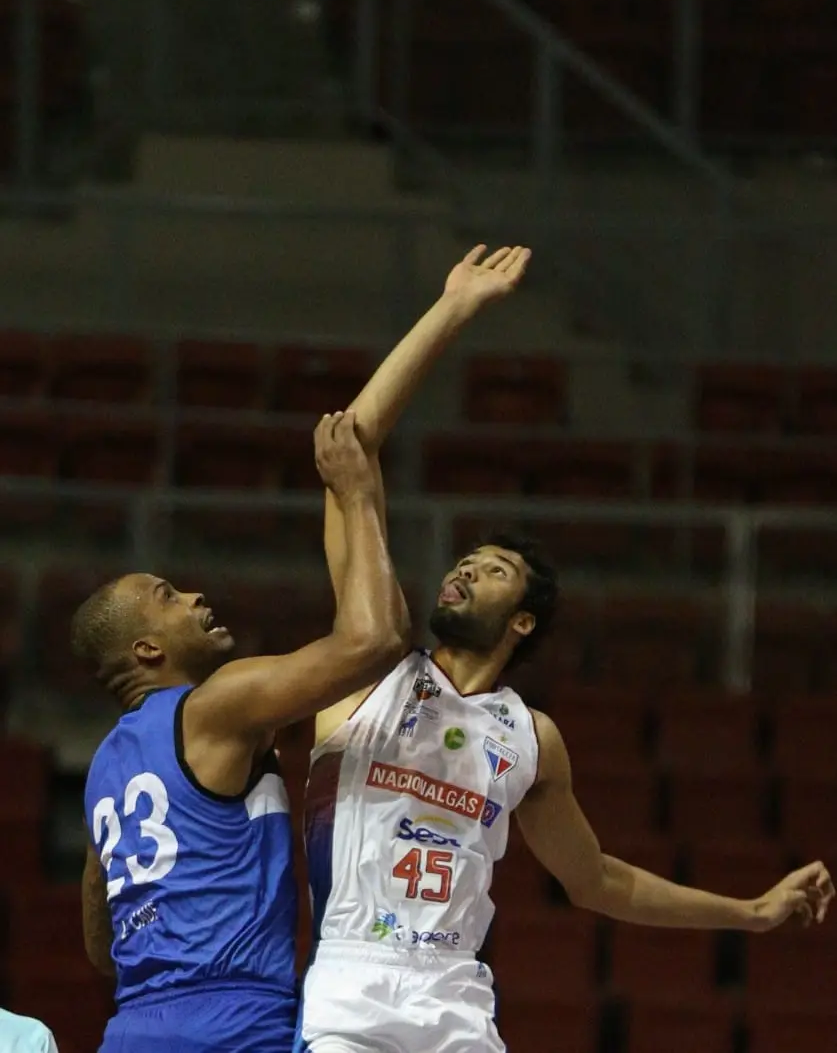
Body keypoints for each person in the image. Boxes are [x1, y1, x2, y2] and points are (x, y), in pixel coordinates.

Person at [294, 243, 835, 1053]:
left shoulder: (529, 738)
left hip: (456, 1006)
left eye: (493, 569)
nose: (464, 569)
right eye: (464, 560)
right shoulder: (367, 666)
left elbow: (598, 880)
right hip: (349, 994)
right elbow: (352, 445)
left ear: (523, 622)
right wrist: (454, 308)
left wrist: (750, 911)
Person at [73, 412, 410, 1053]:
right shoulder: (214, 706)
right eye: (168, 596)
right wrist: (357, 494)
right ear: (147, 650)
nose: (194, 596)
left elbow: (100, 944)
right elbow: (376, 641)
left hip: (133, 1027)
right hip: (235, 1022)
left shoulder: (102, 771)